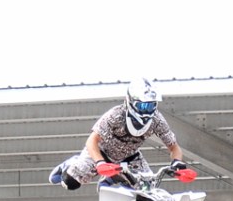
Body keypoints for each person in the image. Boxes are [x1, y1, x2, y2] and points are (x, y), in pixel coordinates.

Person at [50, 78, 185, 190]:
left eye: (151, 106)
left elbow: (174, 147)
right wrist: (100, 163)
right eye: (143, 106)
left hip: (130, 157)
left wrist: (177, 162)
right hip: (101, 153)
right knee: (70, 183)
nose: (147, 111)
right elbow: (92, 141)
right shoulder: (115, 115)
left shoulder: (156, 119)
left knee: (147, 189)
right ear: (131, 101)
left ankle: (113, 179)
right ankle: (72, 163)